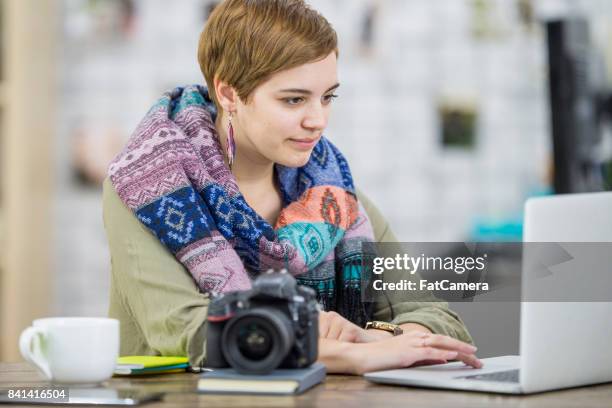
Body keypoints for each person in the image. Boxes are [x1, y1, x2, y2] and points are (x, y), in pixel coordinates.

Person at [103, 0, 481, 375]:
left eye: (327, 97)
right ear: (229, 93)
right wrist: (349, 355)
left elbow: (435, 316)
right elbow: (192, 333)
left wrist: (370, 337)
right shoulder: (147, 188)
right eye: (294, 100)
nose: (317, 120)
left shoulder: (333, 194)